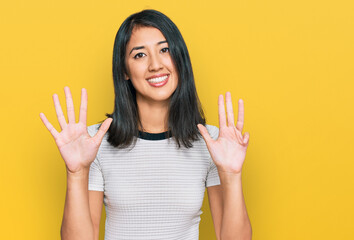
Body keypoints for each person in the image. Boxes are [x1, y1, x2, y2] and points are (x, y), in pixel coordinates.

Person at [39, 9, 252, 240]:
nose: (155, 65)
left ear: (179, 58)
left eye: (165, 50)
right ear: (124, 71)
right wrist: (77, 172)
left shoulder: (212, 143)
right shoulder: (94, 142)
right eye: (140, 55)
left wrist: (231, 175)